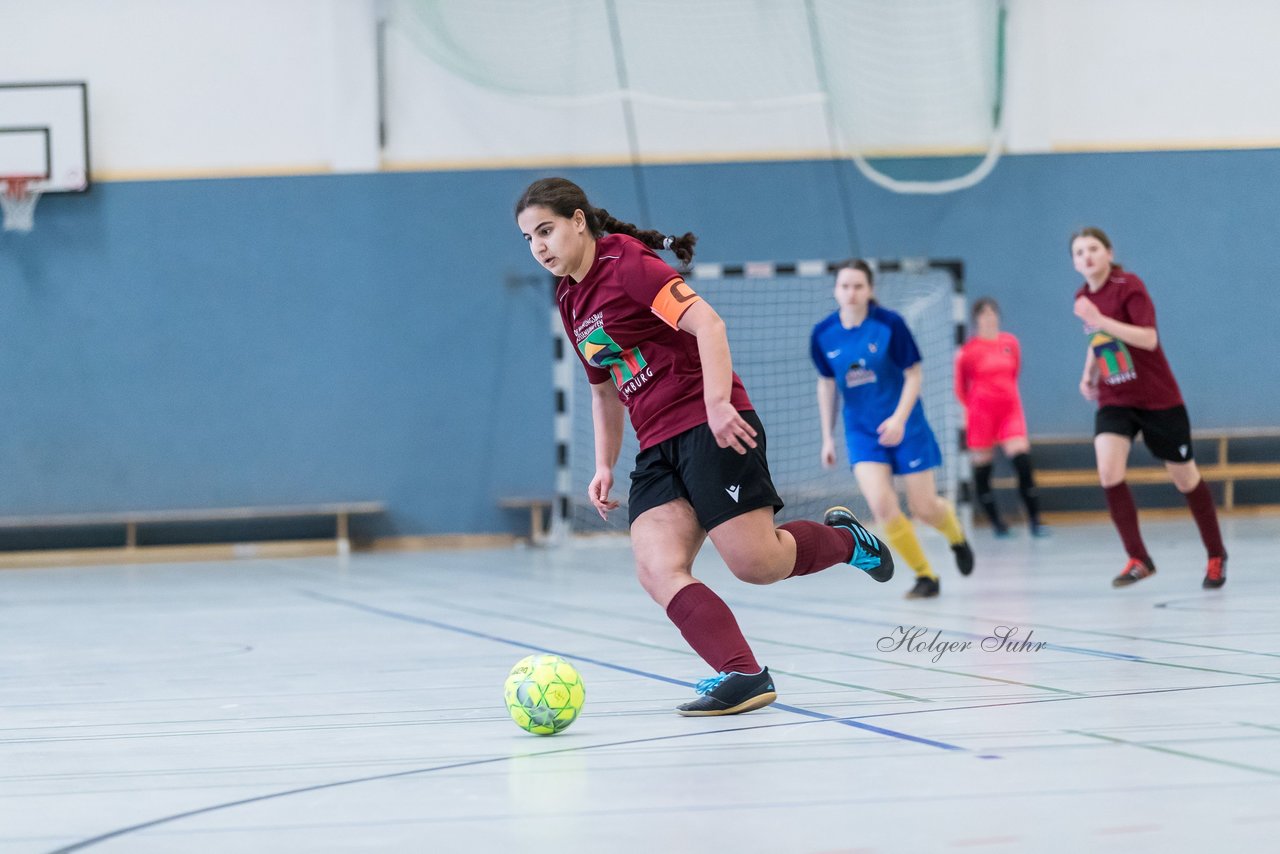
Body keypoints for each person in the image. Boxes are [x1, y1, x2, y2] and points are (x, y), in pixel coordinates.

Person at [514, 178, 894, 717]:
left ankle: (846, 541)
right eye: (529, 238)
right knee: (655, 566)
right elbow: (603, 389)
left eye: (547, 230)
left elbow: (708, 324)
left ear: (579, 221)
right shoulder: (570, 299)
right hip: (657, 446)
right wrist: (603, 464)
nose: (540, 247)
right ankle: (742, 673)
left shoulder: (628, 264)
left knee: (757, 564)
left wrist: (719, 404)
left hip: (708, 424)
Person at [1070, 226, 1227, 589]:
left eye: (1093, 248)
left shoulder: (1130, 287)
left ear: (1109, 253)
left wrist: (1100, 318)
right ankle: (1139, 558)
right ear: (1075, 263)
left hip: (1158, 399)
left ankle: (1216, 554)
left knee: (1185, 478)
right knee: (1108, 471)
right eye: (1079, 253)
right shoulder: (1083, 296)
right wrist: (1089, 373)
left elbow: (1148, 337)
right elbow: (1098, 338)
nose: (1087, 256)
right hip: (1115, 397)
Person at [811, 259, 973, 600]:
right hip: (862, 434)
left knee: (925, 508)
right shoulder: (824, 335)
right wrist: (827, 436)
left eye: (858, 286)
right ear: (835, 290)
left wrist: (899, 419)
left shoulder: (890, 325)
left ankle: (956, 536)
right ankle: (925, 575)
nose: (851, 293)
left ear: (870, 290)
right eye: (845, 286)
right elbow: (826, 384)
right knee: (883, 507)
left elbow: (914, 374)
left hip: (906, 425)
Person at [954, 297, 1049, 538]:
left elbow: (1014, 371)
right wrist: (969, 412)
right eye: (983, 313)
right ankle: (997, 523)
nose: (989, 317)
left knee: (1022, 461)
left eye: (992, 312)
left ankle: (1035, 520)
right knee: (983, 467)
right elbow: (960, 387)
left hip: (1009, 411)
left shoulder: (1010, 343)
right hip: (981, 413)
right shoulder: (968, 352)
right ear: (976, 319)